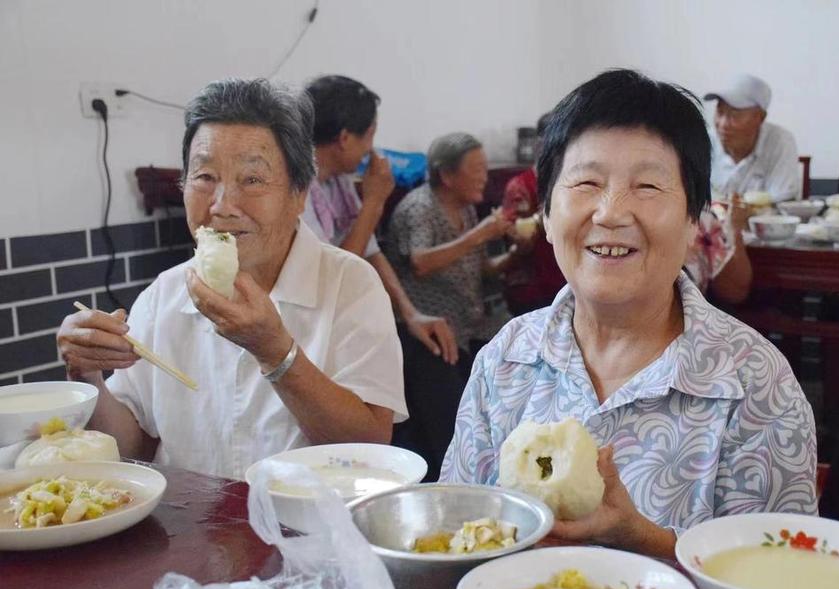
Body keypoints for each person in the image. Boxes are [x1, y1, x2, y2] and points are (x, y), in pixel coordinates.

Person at [440, 70, 817, 560]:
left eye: (647, 186)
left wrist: (645, 542)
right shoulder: (505, 360)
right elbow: (456, 538)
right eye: (587, 182)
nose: (611, 213)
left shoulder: (755, 382)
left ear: (693, 223)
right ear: (549, 218)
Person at [57, 78, 407, 479]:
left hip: (308, 534)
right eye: (204, 177)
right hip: (190, 535)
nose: (222, 206)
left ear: (299, 194)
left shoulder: (351, 284)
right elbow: (132, 447)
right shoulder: (164, 294)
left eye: (252, 180)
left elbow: (369, 452)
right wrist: (86, 378)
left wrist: (276, 352)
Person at [384, 133, 516, 479]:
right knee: (447, 424)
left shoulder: (467, 208)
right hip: (425, 332)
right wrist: (480, 235)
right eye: (476, 170)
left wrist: (517, 253)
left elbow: (480, 267)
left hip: (466, 328)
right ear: (446, 174)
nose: (484, 178)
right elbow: (420, 262)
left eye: (486, 169)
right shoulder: (420, 207)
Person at [303, 75, 458, 367]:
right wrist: (374, 202)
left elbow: (371, 252)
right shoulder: (294, 190)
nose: (372, 151)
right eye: (370, 136)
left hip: (348, 314)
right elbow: (330, 273)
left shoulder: (339, 182)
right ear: (345, 139)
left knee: (432, 348)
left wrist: (411, 314)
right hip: (313, 327)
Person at [500, 112, 566, 315]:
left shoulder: (568, 181)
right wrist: (542, 216)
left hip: (563, 280)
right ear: (540, 146)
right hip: (533, 288)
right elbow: (521, 240)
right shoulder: (520, 186)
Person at [705, 73, 800, 203]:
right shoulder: (705, 141)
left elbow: (782, 203)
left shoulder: (780, 141)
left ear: (760, 117)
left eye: (734, 115)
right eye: (720, 112)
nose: (723, 124)